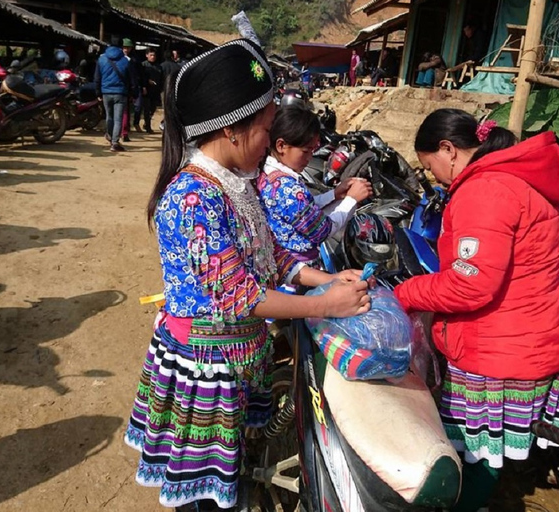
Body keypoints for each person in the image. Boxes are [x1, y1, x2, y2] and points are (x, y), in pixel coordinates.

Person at [125, 39, 370, 512]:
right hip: (206, 369)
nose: (269, 142)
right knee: (206, 497)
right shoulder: (194, 197)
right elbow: (239, 296)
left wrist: (326, 281)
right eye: (263, 129)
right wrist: (325, 305)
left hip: (238, 358)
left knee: (230, 474)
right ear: (232, 131)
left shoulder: (238, 182)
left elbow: (270, 254)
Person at [393, 109, 559, 512]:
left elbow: (469, 283)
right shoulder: (519, 181)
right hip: (532, 339)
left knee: (478, 459)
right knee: (489, 456)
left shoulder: (485, 191)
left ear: (448, 150)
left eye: (430, 166)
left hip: (498, 352)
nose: (435, 177)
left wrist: (407, 293)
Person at [258, 106, 372, 263]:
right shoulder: (286, 188)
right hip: (296, 269)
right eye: (306, 151)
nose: (309, 157)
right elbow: (322, 231)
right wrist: (351, 200)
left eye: (312, 151)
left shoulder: (269, 175)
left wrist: (335, 194)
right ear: (281, 146)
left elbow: (305, 208)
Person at [95, 41, 135, 152]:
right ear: (121, 47)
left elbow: (97, 78)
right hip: (120, 93)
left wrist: (98, 92)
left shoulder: (101, 59)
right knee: (118, 119)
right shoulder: (126, 61)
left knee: (109, 116)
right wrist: (133, 93)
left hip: (106, 92)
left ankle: (109, 135)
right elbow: (132, 79)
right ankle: (115, 142)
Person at [141, 47, 163, 134]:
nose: (153, 57)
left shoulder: (159, 66)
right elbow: (140, 77)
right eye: (151, 55)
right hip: (146, 91)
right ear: (147, 55)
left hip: (155, 91)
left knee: (152, 109)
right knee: (146, 109)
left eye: (154, 55)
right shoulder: (143, 65)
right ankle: (148, 126)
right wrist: (146, 82)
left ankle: (147, 123)